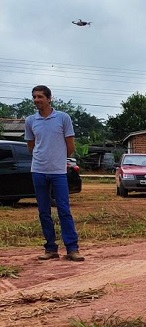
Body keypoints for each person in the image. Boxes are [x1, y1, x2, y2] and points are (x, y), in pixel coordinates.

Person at [24, 85, 84, 261]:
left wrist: (58, 159)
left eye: (40, 97)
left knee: (64, 209)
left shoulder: (63, 118)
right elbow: (31, 146)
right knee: (44, 211)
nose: (36, 100)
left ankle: (72, 249)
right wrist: (42, 157)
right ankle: (50, 248)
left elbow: (70, 146)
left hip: (58, 172)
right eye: (34, 97)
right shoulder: (30, 121)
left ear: (49, 99)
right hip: (38, 171)